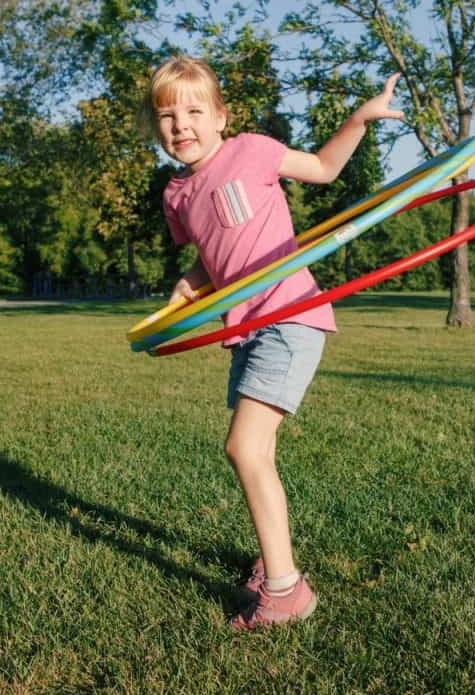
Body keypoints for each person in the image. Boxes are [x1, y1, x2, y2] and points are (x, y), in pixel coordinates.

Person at [144, 55, 404, 630]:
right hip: (246, 330)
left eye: (193, 111)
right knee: (254, 452)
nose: (180, 125)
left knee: (245, 449)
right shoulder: (177, 196)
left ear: (220, 116)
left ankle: (286, 593)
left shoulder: (252, 151)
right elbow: (210, 258)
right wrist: (188, 285)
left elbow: (325, 168)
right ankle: (274, 558)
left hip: (288, 318)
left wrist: (360, 119)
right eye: (166, 115)